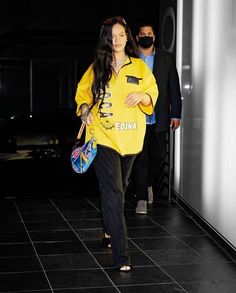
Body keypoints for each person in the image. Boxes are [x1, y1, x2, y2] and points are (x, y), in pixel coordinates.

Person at [74, 16, 158, 272]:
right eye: (112, 36)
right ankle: (122, 256)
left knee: (119, 189)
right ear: (106, 40)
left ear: (127, 37)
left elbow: (152, 93)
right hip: (102, 138)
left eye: (121, 35)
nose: (117, 40)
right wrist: (85, 109)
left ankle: (109, 229)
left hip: (131, 140)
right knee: (114, 192)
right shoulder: (97, 67)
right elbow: (82, 95)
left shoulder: (140, 68)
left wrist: (143, 96)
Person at [130, 20, 182, 214]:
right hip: (136, 118)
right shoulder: (131, 57)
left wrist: (176, 113)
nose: (146, 37)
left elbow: (173, 88)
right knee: (140, 158)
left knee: (158, 157)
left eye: (149, 34)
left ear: (154, 37)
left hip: (158, 117)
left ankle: (148, 184)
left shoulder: (166, 58)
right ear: (137, 37)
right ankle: (141, 197)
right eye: (142, 34)